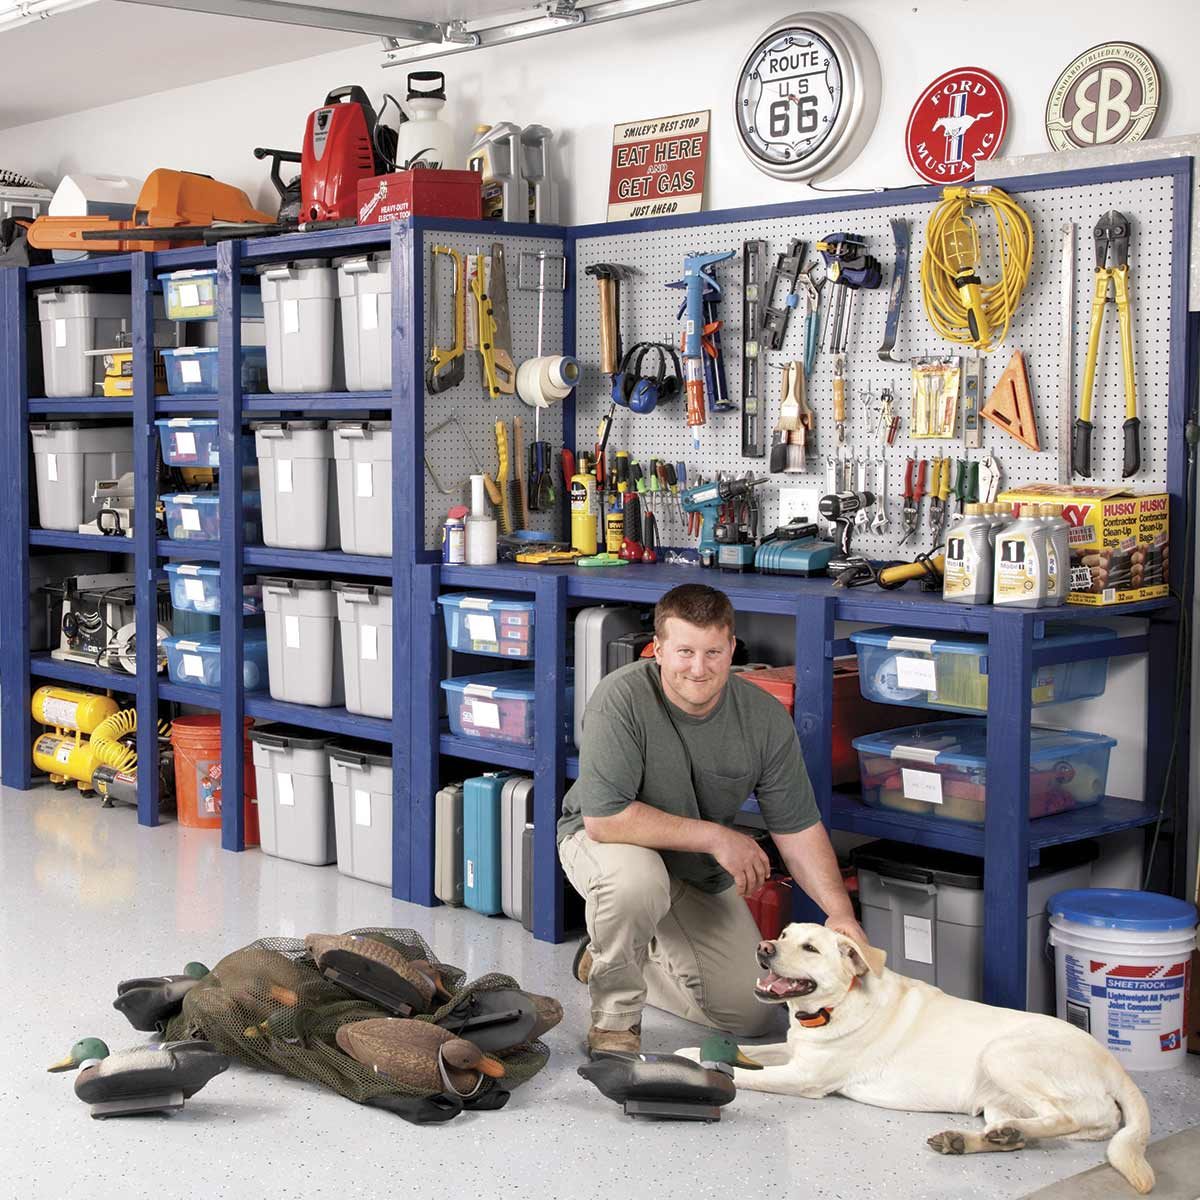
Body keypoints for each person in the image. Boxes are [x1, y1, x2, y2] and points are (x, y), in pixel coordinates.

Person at [558, 583, 867, 1057]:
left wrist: (839, 912)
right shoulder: (620, 698)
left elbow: (797, 828)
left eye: (713, 653)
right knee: (635, 882)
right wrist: (718, 837)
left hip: (692, 867)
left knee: (751, 1013)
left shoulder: (763, 717)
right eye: (684, 652)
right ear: (657, 649)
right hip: (605, 843)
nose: (698, 669)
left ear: (732, 648)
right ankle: (615, 1018)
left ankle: (612, 956)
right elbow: (606, 820)